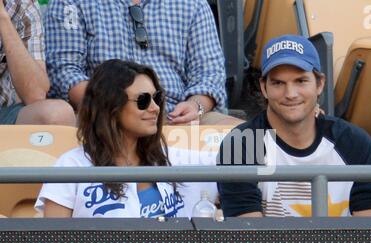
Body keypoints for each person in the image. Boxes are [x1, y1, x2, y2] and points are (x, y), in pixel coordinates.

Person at [217, 34, 371, 218]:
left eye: (300, 81)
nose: (290, 94)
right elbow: (248, 237)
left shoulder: (353, 141)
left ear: (320, 84)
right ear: (263, 87)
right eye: (278, 83)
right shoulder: (240, 144)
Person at [44, 0, 242, 126]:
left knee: (243, 136)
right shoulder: (69, 3)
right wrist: (119, 105)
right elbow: (64, 72)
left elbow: (210, 75)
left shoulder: (193, 4)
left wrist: (195, 105)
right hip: (104, 116)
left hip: (175, 116)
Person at [35, 59, 187, 218]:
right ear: (111, 106)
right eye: (143, 100)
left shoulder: (171, 157)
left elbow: (215, 159)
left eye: (157, 97)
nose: (155, 108)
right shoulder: (70, 166)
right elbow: (56, 240)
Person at [0, 0, 75, 125]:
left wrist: (3, 18)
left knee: (57, 113)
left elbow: (36, 94)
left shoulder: (24, 6)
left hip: (3, 113)